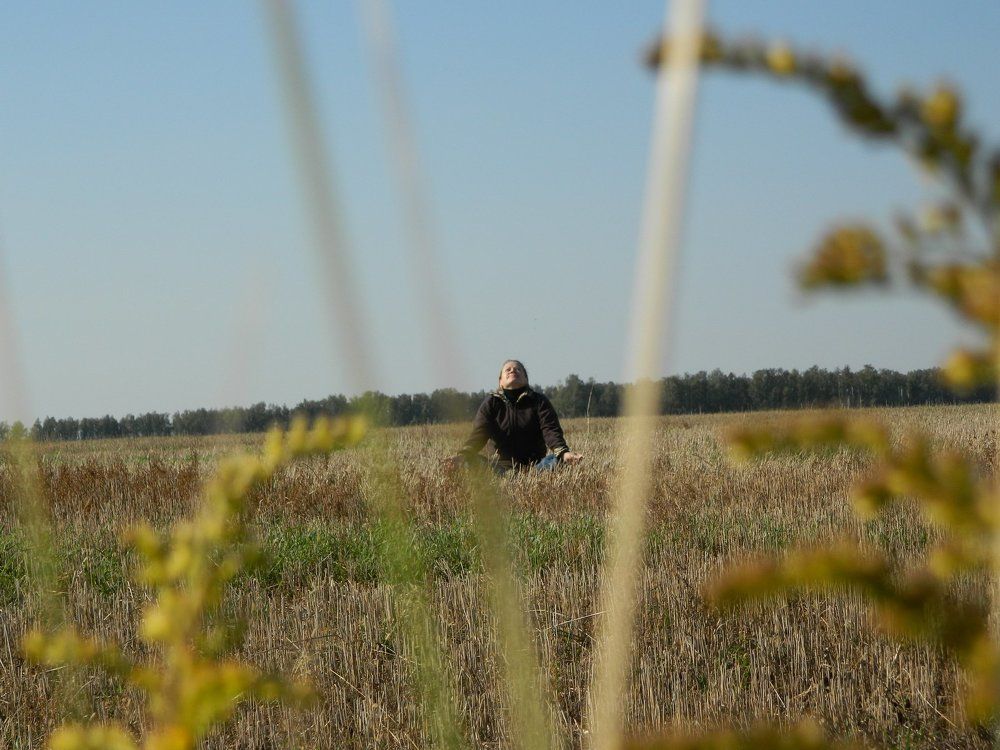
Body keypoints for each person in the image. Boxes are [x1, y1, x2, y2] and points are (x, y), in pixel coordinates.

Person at [449, 359, 584, 474]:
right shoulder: (491, 403)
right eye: (508, 369)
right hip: (498, 468)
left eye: (518, 369)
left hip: (535, 466)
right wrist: (463, 455)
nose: (513, 370)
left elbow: (551, 430)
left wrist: (564, 453)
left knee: (558, 461)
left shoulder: (539, 401)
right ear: (500, 381)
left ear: (526, 379)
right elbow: (479, 433)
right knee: (468, 462)